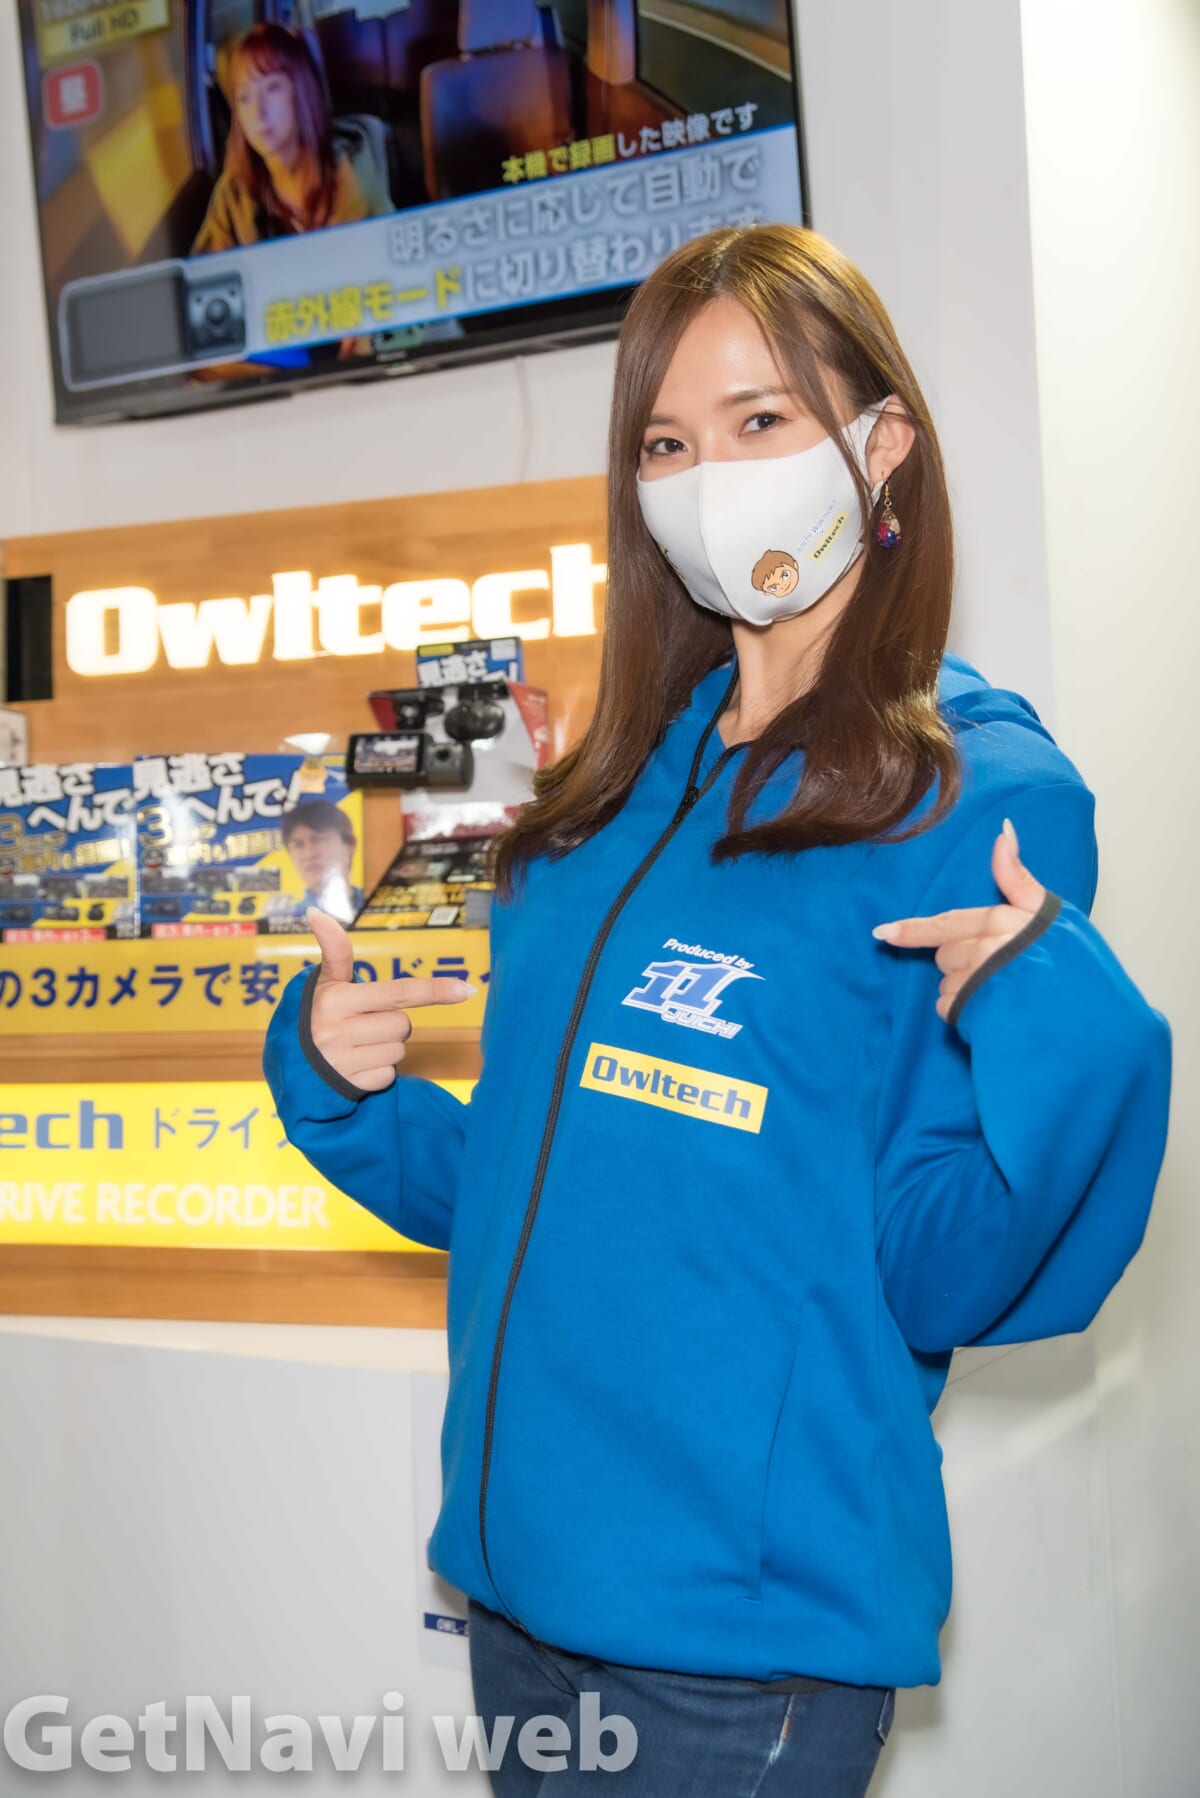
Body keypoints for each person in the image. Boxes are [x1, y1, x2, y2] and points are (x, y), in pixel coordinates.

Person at [262, 225, 1173, 1795]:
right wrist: (340, 1084)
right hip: (517, 1596)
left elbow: (942, 1264)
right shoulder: (609, 790)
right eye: (668, 443)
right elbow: (546, 1189)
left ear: (881, 447)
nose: (709, 477)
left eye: (761, 420)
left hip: (734, 1649)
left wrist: (1072, 1035)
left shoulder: (973, 792)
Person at [191, 21, 391, 253]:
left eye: (272, 88)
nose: (258, 111)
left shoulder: (353, 176)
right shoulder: (233, 197)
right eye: (244, 97)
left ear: (300, 91)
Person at [279, 798, 363, 924]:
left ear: (350, 844)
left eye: (319, 840)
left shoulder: (376, 907)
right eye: (298, 845)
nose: (309, 854)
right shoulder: (281, 922)